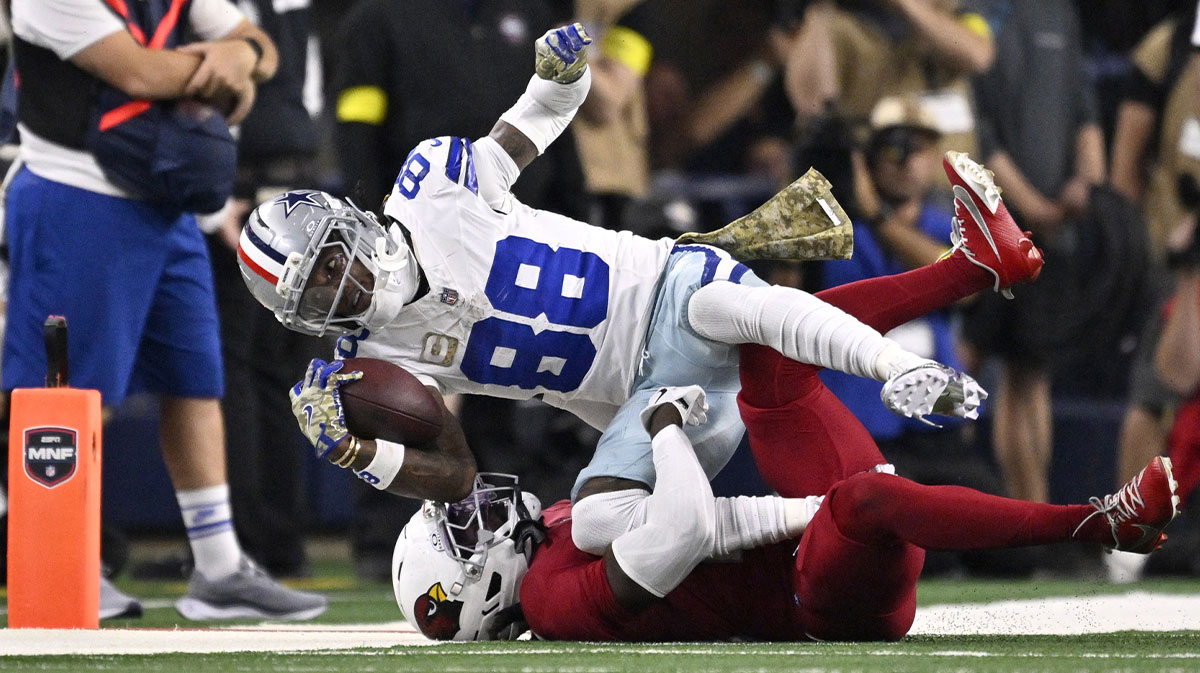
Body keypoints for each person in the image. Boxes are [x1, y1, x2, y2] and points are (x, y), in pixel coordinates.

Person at [241, 23, 1016, 559]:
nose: (340, 289)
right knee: (598, 524)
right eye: (316, 296)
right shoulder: (371, 353)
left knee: (743, 306)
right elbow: (457, 476)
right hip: (645, 404)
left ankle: (904, 371)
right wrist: (356, 449)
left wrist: (560, 75)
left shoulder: (435, 185)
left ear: (350, 225)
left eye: (332, 261)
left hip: (663, 290)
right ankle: (823, 515)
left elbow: (539, 114)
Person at [388, 215, 1180, 641]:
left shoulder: (556, 539)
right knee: (862, 502)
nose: (478, 515)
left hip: (804, 543)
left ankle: (974, 268)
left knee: (771, 354)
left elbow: (706, 523)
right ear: (473, 593)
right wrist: (665, 428)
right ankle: (1098, 521)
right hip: (821, 603)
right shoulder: (558, 602)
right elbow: (695, 525)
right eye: (464, 538)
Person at [5, 0, 325, 619]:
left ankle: (219, 567)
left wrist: (241, 53)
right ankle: (67, 561)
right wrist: (232, 61)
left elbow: (262, 45)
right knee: (72, 395)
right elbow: (140, 75)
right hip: (77, 193)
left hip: (166, 201)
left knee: (196, 382)